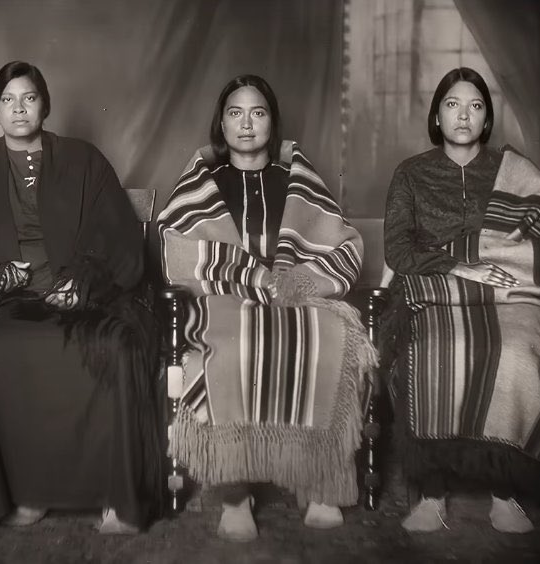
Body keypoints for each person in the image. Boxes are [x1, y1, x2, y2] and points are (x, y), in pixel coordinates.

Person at [0, 61, 160, 534]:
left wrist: (81, 280)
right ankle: (30, 491)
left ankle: (114, 497)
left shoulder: (83, 158)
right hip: (15, 303)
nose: (18, 109)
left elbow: (117, 232)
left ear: (45, 104)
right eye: (7, 100)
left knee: (116, 347)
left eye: (29, 98)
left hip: (88, 297)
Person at [156, 74, 377, 542]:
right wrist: (252, 278)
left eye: (258, 113)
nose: (247, 124)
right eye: (235, 113)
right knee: (233, 350)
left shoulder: (295, 180)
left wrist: (296, 281)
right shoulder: (204, 183)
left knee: (328, 340)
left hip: (295, 298)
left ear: (272, 122)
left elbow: (341, 245)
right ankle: (237, 493)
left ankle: (317, 479)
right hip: (224, 301)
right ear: (222, 122)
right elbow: (179, 251)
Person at [379, 67, 540, 534]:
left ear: (487, 120)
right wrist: (462, 266)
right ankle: (432, 492)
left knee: (515, 353)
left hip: (509, 292)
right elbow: (398, 250)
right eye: (452, 104)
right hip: (435, 290)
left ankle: (504, 492)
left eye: (475, 106)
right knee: (434, 352)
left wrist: (499, 270)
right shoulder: (412, 173)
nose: (463, 115)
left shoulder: (512, 172)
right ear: (437, 115)